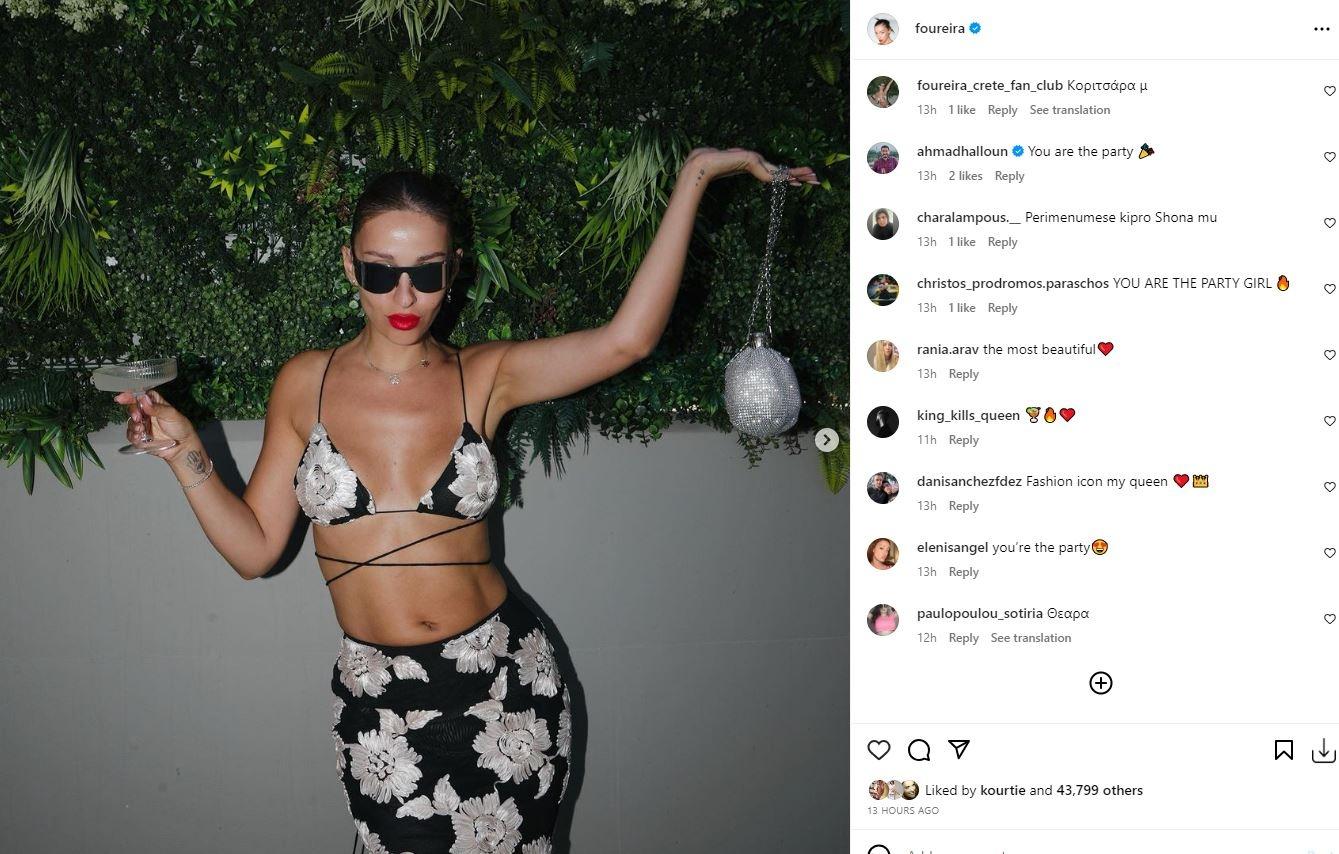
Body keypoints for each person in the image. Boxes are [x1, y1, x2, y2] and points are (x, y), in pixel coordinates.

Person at [112, 149, 818, 853]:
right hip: (380, 699)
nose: (404, 296)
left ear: (452, 271)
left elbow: (626, 342)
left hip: (503, 683)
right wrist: (183, 453)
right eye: (381, 272)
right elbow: (255, 551)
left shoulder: (484, 375)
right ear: (350, 266)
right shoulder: (305, 384)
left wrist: (696, 175)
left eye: (426, 273)